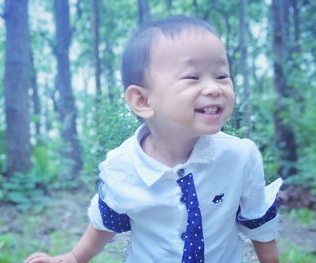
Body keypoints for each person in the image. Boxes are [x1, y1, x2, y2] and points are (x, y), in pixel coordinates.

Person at [25, 16, 282, 263]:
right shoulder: (122, 167)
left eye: (222, 75)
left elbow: (258, 219)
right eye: (192, 77)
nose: (214, 88)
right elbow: (106, 221)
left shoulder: (239, 156)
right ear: (143, 100)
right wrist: (73, 258)